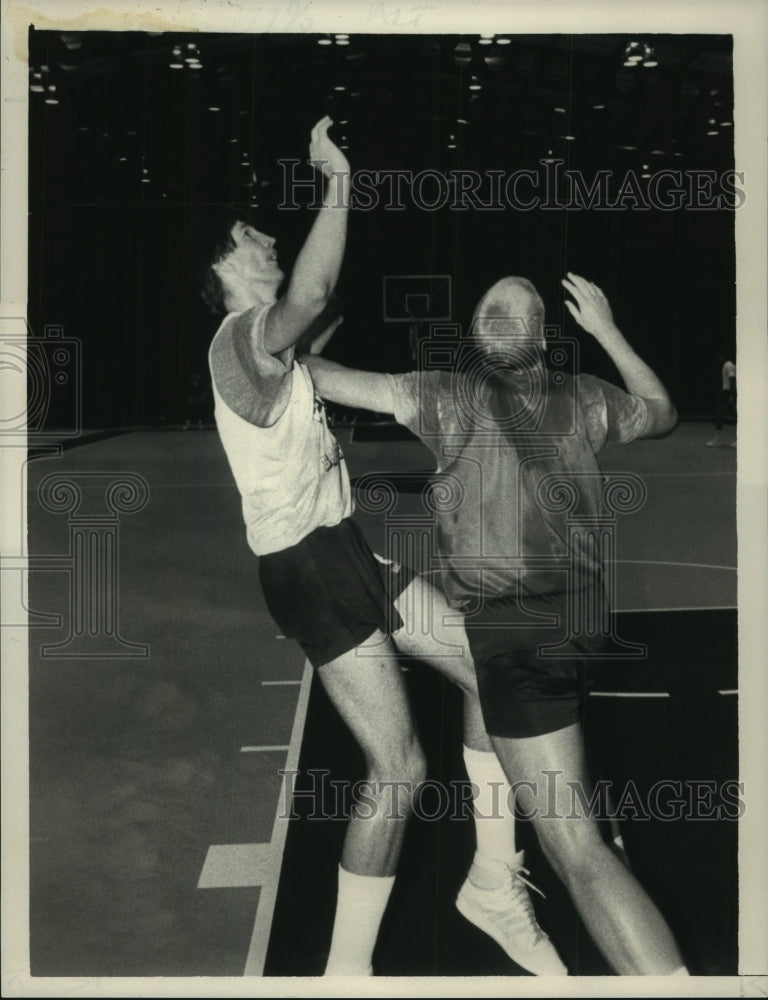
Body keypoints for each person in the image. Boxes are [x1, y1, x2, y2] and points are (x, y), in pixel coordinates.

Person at [193, 117, 565, 976]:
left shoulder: (275, 351)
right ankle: (344, 976)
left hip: (347, 551)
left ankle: (492, 883)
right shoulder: (239, 339)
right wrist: (341, 183)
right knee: (398, 767)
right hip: (308, 571)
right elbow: (315, 297)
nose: (269, 238)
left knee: (487, 665)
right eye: (252, 235)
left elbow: (322, 315)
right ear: (221, 266)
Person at [303, 272, 690, 975]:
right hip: (532, 633)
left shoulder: (566, 397)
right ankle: (489, 881)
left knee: (578, 852)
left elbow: (662, 409)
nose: (503, 313)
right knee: (508, 734)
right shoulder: (458, 394)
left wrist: (607, 332)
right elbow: (323, 379)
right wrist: (276, 331)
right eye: (492, 310)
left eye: (518, 310)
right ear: (479, 341)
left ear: (543, 338)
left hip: (542, 634)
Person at [706, 352, 736, 447]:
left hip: (728, 393)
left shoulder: (729, 365)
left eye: (719, 356)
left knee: (722, 415)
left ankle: (717, 439)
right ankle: (717, 438)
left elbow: (732, 381)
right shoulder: (727, 365)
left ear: (721, 356)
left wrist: (731, 395)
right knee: (720, 415)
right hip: (726, 392)